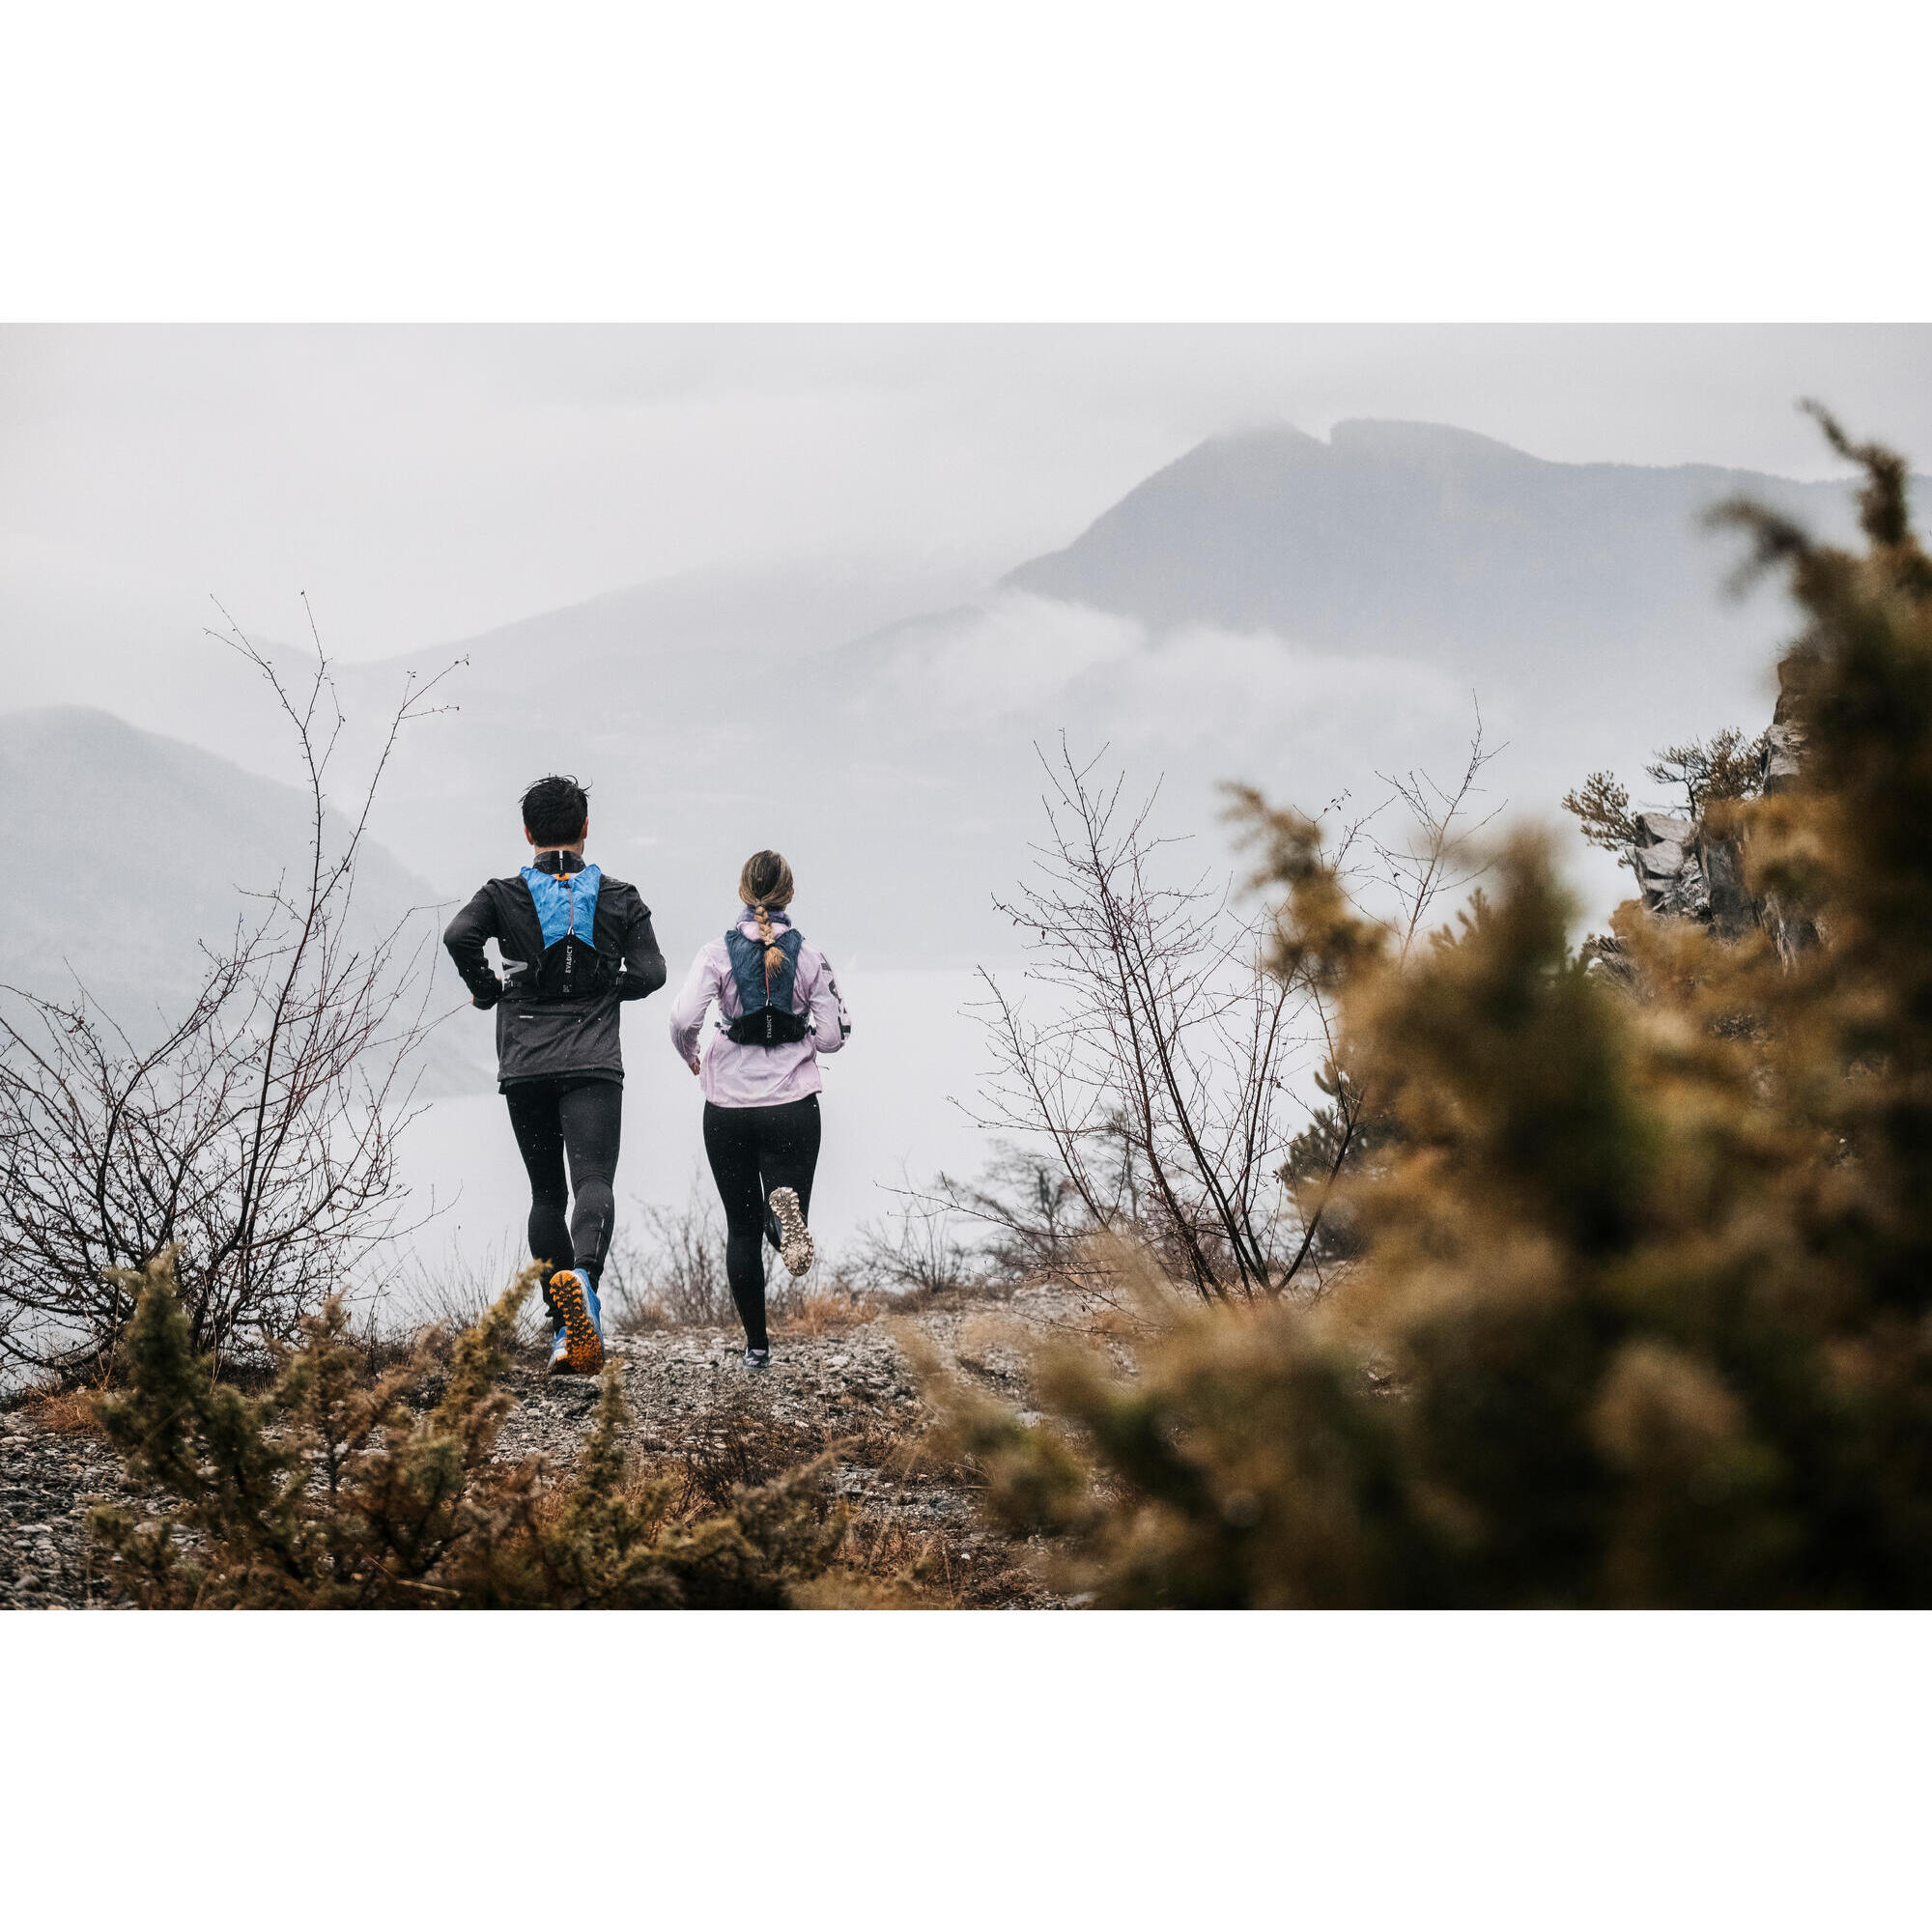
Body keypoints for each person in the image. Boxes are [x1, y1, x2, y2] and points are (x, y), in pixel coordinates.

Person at [442, 774, 666, 1375]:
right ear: (586, 827)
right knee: (593, 1181)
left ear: (528, 833)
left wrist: (489, 990)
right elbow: (653, 972)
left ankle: (567, 1329)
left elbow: (458, 935)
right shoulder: (620, 896)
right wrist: (610, 986)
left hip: (526, 1062)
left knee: (546, 1193)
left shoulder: (500, 895)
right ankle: (584, 1288)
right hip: (594, 1061)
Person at [668, 850, 850, 1368]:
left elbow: (682, 1019)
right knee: (787, 1208)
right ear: (789, 895)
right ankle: (784, 1219)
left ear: (742, 894)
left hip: (726, 1106)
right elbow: (835, 1036)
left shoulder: (715, 955)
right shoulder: (811, 956)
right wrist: (799, 1035)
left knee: (740, 1228)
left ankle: (756, 1349)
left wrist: (694, 1056)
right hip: (792, 1105)